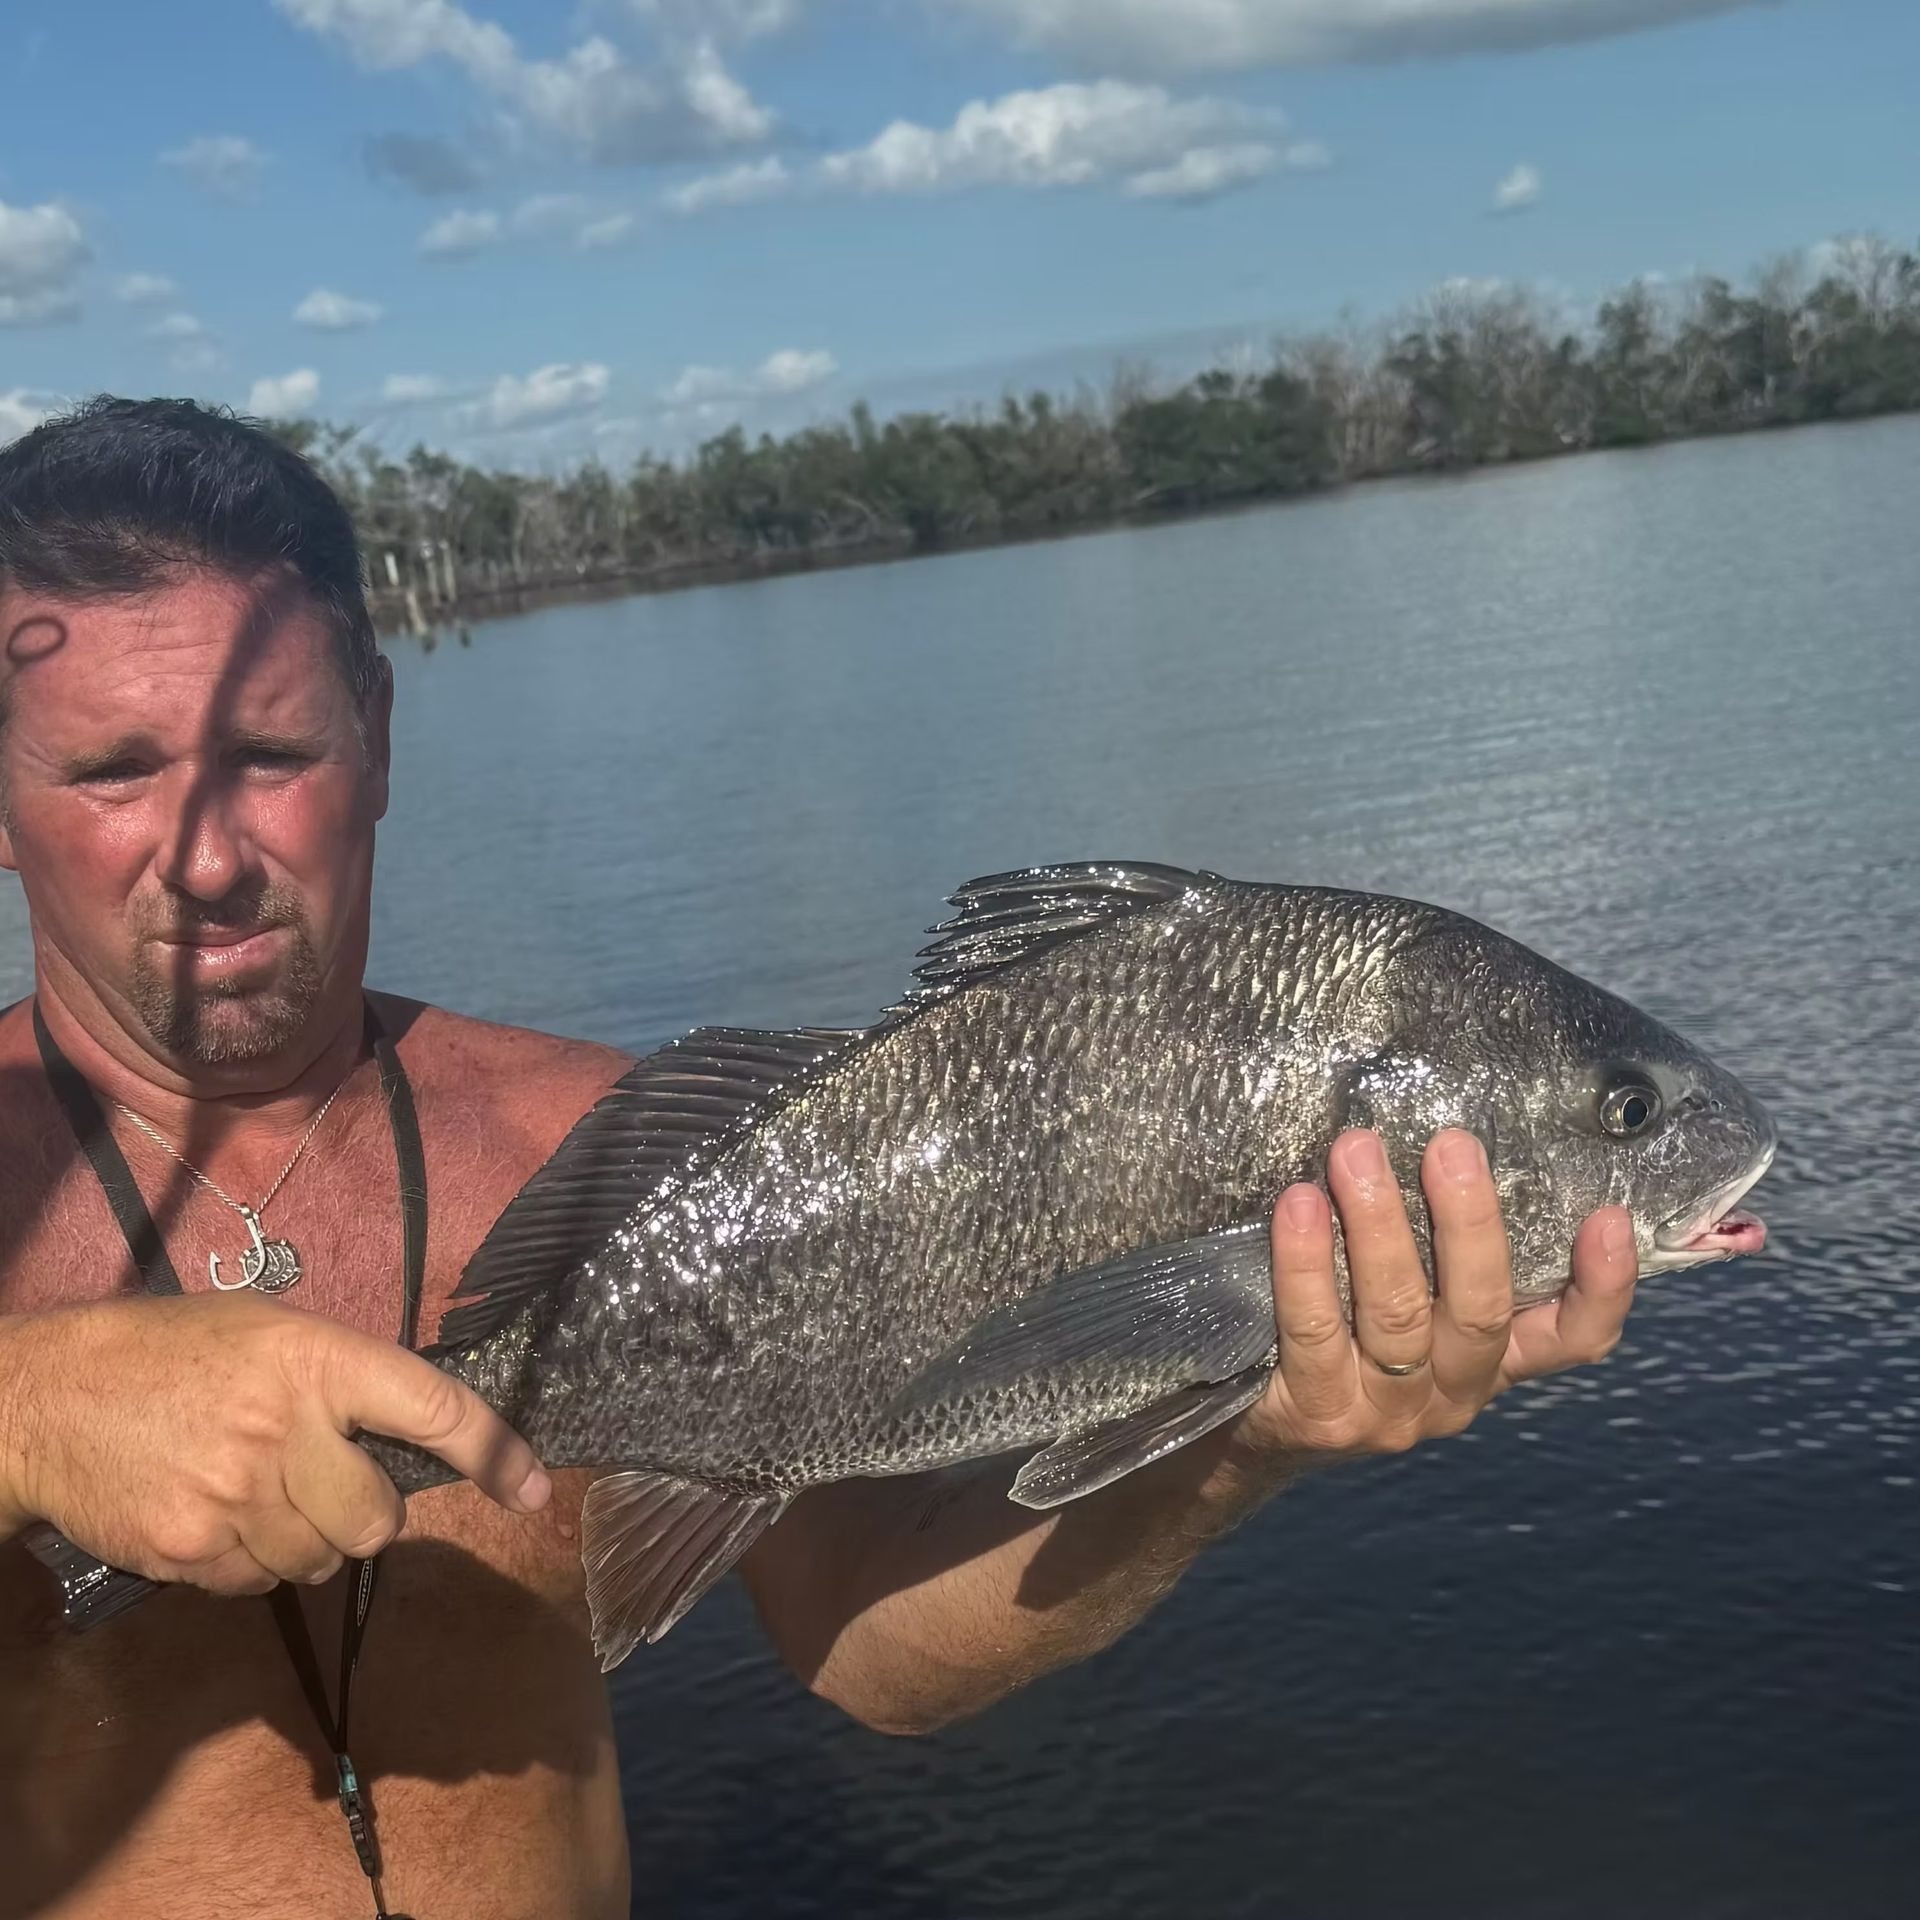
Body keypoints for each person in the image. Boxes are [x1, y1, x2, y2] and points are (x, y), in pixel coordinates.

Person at [0, 399, 1642, 1920]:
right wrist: (30, 1414)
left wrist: (1248, 1432)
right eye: (110, 771)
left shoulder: (615, 1145)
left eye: (271, 756)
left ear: (375, 730)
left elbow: (869, 1643)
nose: (205, 853)